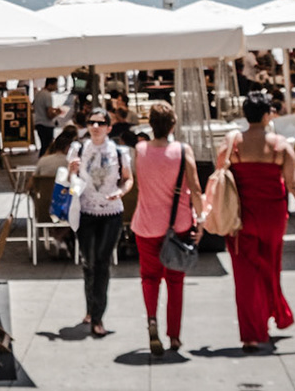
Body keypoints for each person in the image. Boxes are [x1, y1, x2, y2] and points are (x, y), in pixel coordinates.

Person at [217, 91, 295, 351]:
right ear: (267, 114)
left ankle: (251, 332)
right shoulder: (281, 146)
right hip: (273, 215)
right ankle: (273, 315)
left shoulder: (232, 141)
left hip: (241, 216)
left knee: (245, 274)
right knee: (270, 266)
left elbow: (219, 176)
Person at [131, 101, 204, 355]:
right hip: (178, 225)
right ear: (173, 125)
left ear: (150, 125)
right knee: (175, 280)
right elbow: (195, 189)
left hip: (146, 224)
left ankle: (152, 320)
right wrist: (201, 221)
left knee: (149, 278)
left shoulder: (139, 150)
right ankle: (174, 336)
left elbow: (140, 185)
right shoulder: (183, 151)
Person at [68, 108, 134, 337]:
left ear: (108, 127)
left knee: (102, 263)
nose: (95, 126)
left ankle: (97, 317)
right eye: (91, 122)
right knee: (89, 262)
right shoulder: (77, 149)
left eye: (100, 123)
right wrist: (71, 172)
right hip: (85, 212)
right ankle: (90, 308)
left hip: (111, 213)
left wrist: (121, 192)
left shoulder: (119, 151)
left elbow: (128, 179)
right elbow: (70, 182)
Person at [32, 79, 57, 152]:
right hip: (46, 124)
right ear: (50, 85)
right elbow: (49, 114)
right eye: (55, 85)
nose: (56, 87)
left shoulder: (38, 94)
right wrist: (57, 113)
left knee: (44, 145)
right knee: (47, 147)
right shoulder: (47, 95)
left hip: (38, 122)